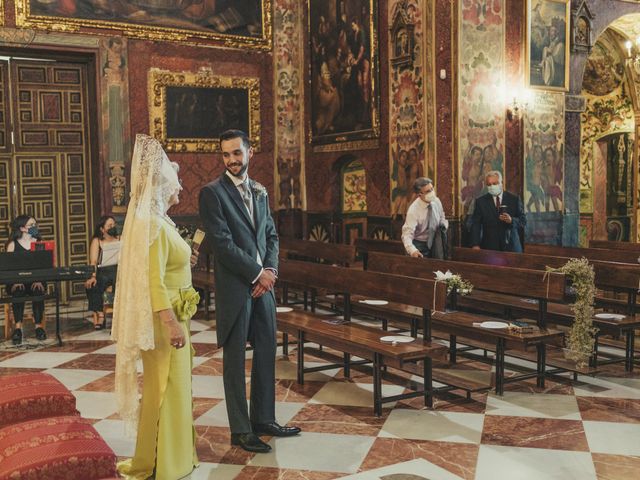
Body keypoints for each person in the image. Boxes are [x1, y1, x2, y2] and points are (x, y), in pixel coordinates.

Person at [199, 129, 301, 454]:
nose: (231, 160)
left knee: (267, 351)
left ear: (249, 153)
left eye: (237, 153)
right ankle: (241, 430)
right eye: (226, 154)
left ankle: (264, 418)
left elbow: (271, 234)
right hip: (236, 288)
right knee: (234, 361)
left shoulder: (260, 190)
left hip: (264, 287)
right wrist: (257, 273)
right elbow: (222, 244)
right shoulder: (212, 193)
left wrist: (270, 272)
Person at [112, 134, 200, 480]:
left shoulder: (160, 221)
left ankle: (170, 456)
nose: (178, 191)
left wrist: (187, 258)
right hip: (167, 320)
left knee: (171, 387)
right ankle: (167, 464)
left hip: (177, 313)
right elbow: (153, 280)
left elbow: (167, 264)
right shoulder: (151, 224)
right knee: (167, 388)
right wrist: (171, 322)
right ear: (160, 184)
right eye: (173, 185)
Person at [5, 215, 47, 345]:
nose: (35, 227)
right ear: (22, 228)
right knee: (18, 291)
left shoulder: (38, 242)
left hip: (35, 280)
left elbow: (43, 265)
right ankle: (17, 329)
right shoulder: (12, 245)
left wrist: (39, 279)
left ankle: (38, 327)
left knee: (38, 290)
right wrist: (15, 281)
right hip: (17, 281)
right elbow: (8, 267)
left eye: (35, 224)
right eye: (31, 225)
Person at [471, 171, 526, 253]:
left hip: (511, 246)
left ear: (501, 183)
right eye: (489, 184)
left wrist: (511, 220)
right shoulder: (481, 202)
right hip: (489, 247)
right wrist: (475, 244)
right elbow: (476, 224)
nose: (492, 186)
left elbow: (523, 221)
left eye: (495, 183)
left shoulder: (514, 199)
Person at [85, 215, 121, 330]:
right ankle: (100, 314)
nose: (112, 227)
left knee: (120, 282)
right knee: (93, 285)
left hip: (118, 269)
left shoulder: (121, 238)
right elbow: (94, 261)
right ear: (102, 229)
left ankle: (120, 316)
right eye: (109, 225)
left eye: (114, 225)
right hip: (103, 270)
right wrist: (93, 276)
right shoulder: (97, 241)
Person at [401, 177, 448, 259]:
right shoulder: (413, 210)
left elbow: (442, 216)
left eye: (432, 189)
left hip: (435, 242)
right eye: (428, 191)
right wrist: (413, 251)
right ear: (420, 194)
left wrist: (443, 224)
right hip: (419, 245)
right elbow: (407, 234)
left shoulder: (436, 201)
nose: (432, 192)